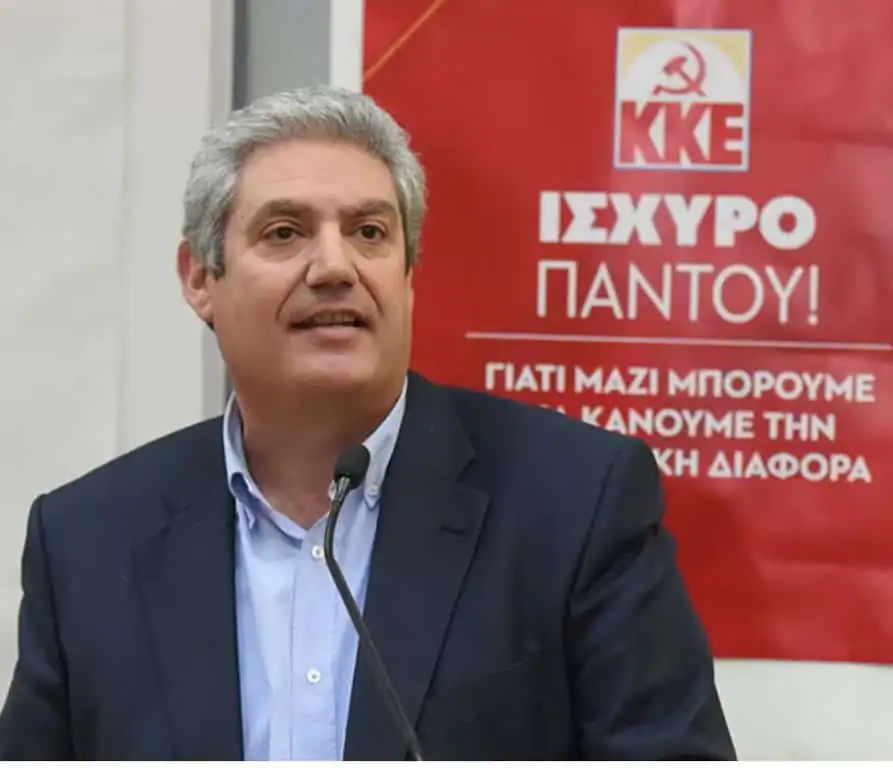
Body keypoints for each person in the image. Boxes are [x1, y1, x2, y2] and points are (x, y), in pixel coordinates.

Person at [0, 85, 736, 761]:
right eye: (284, 233)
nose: (334, 267)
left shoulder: (574, 504)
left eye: (370, 232)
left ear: (407, 276)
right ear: (199, 278)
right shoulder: (89, 541)